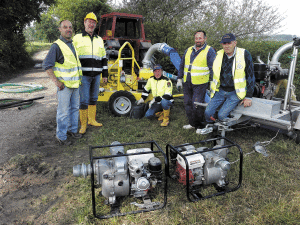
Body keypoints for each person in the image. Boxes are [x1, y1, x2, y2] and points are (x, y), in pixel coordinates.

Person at [43, 20, 82, 145]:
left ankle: (72, 130)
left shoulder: (72, 44)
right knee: (63, 112)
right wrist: (56, 82)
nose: (68, 29)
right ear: (60, 29)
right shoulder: (56, 46)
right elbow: (47, 65)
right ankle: (61, 137)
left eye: (70, 27)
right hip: (64, 86)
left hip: (75, 84)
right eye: (65, 27)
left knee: (75, 109)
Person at [203, 33, 255, 125]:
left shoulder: (244, 54)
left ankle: (224, 125)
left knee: (221, 115)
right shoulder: (218, 54)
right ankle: (212, 127)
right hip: (220, 91)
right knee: (208, 113)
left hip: (235, 92)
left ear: (235, 43)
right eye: (224, 43)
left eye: (229, 43)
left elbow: (250, 75)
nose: (226, 46)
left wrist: (248, 97)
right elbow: (214, 73)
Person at [73, 12, 108, 134]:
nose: (91, 24)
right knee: (83, 100)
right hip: (83, 75)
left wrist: (105, 74)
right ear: (84, 23)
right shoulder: (77, 38)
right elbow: (72, 56)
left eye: (93, 22)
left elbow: (104, 58)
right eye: (89, 21)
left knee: (93, 98)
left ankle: (92, 120)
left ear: (95, 25)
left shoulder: (99, 40)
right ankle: (83, 125)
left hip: (97, 75)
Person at [176, 30, 216, 133]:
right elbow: (181, 65)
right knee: (187, 103)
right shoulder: (188, 50)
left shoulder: (209, 51)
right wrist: (179, 79)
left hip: (200, 83)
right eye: (196, 38)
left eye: (200, 38)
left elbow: (213, 68)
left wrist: (213, 82)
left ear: (205, 39)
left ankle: (199, 126)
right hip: (187, 82)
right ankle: (191, 123)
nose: (198, 40)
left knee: (196, 104)